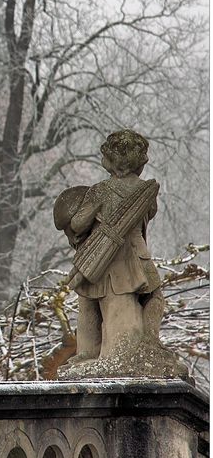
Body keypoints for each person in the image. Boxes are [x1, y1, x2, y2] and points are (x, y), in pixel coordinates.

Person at [57, 130, 163, 366]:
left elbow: (78, 223)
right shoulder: (147, 192)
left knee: (94, 303)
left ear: (111, 160)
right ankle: (130, 349)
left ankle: (100, 354)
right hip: (136, 256)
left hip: (102, 257)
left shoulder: (100, 190)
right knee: (151, 299)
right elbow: (150, 214)